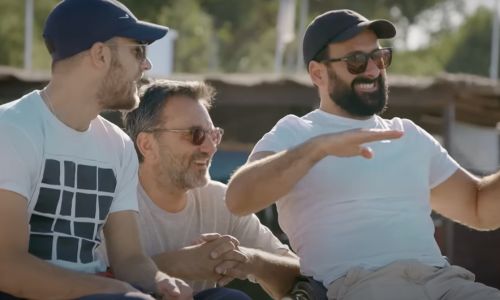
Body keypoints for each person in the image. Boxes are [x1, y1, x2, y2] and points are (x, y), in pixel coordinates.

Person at [225, 9, 500, 300]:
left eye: (379, 58)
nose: (372, 69)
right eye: (356, 61)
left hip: (441, 280)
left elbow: (479, 208)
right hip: (361, 285)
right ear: (318, 72)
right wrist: (319, 149)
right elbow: (238, 199)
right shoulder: (295, 133)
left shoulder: (409, 135)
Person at [0, 0, 192, 299]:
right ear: (100, 54)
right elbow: (7, 267)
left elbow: (128, 259)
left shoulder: (118, 144)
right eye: (137, 50)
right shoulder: (10, 128)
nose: (147, 65)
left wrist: (160, 282)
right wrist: (112, 289)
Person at [122, 79, 301, 299]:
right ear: (147, 144)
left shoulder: (220, 201)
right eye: (195, 135)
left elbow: (299, 276)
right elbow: (87, 283)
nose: (209, 148)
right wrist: (176, 264)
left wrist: (250, 260)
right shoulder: (111, 200)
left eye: (213, 135)